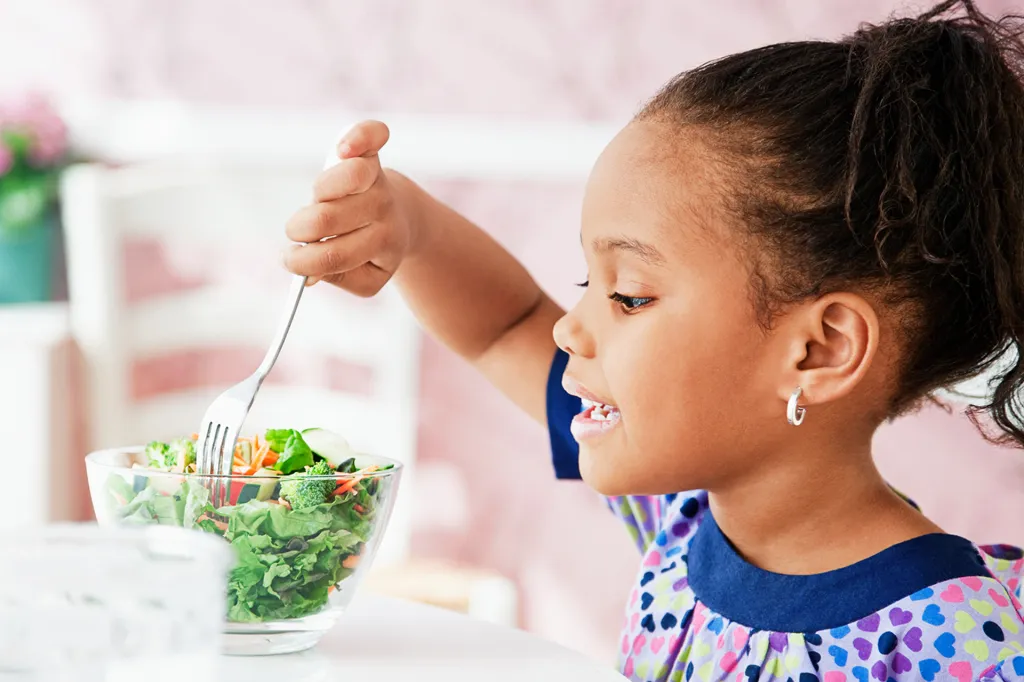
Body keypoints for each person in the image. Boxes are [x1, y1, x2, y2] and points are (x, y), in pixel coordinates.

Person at [284, 0, 1024, 679]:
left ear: (819, 350)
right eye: (587, 284)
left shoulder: (964, 647)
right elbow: (504, 326)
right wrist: (409, 226)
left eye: (629, 296)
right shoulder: (681, 516)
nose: (573, 326)